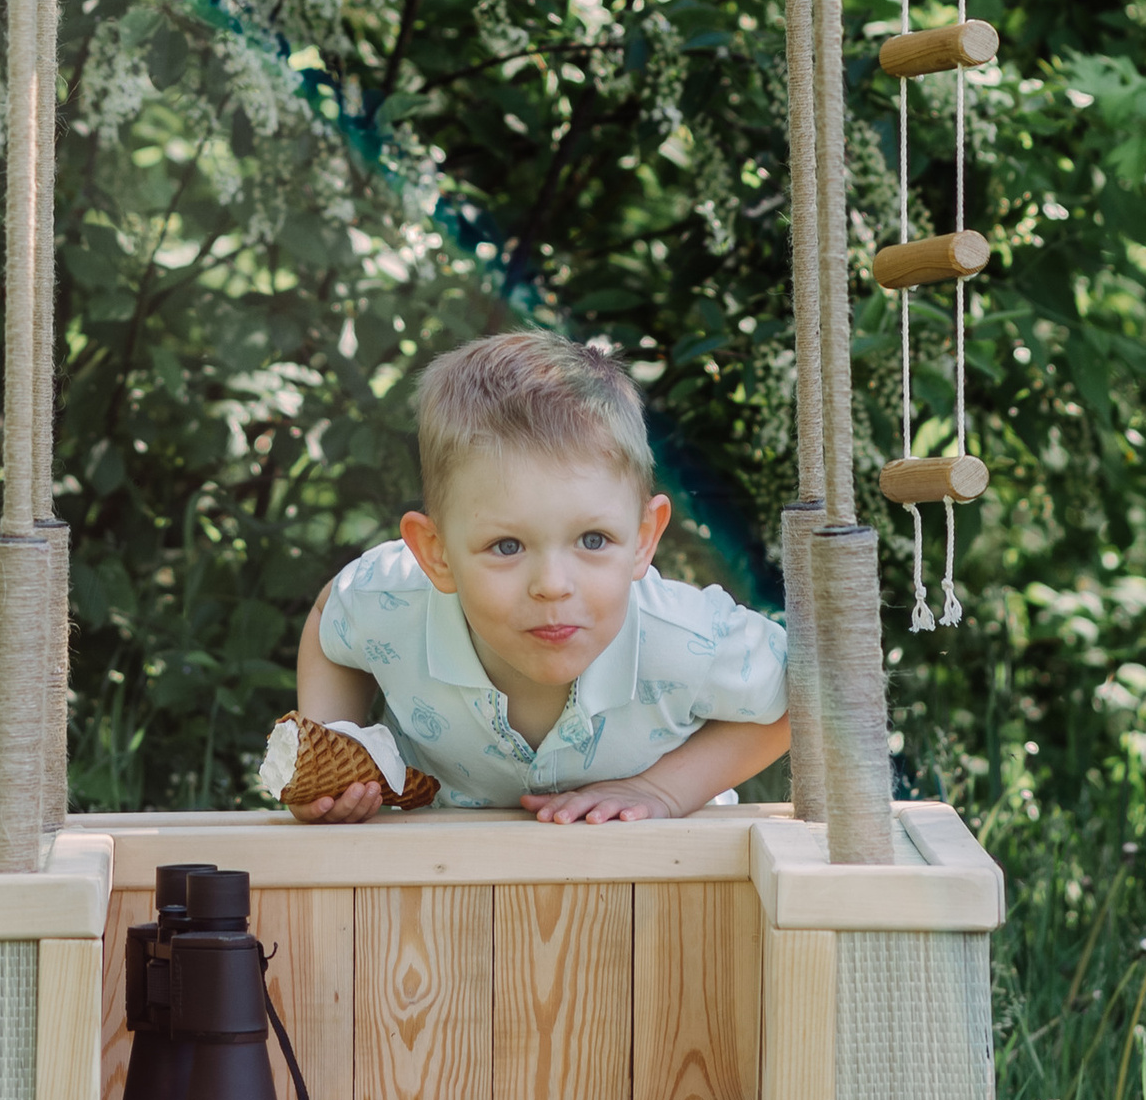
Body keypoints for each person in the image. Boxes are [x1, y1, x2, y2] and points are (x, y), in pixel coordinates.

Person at [291, 328, 790, 823]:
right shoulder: (393, 603)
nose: (552, 583)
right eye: (507, 546)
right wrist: (332, 747)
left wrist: (663, 788)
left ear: (643, 538)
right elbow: (330, 616)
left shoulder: (685, 640)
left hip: (654, 882)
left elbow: (809, 696)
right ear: (436, 554)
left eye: (593, 540)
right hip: (452, 880)